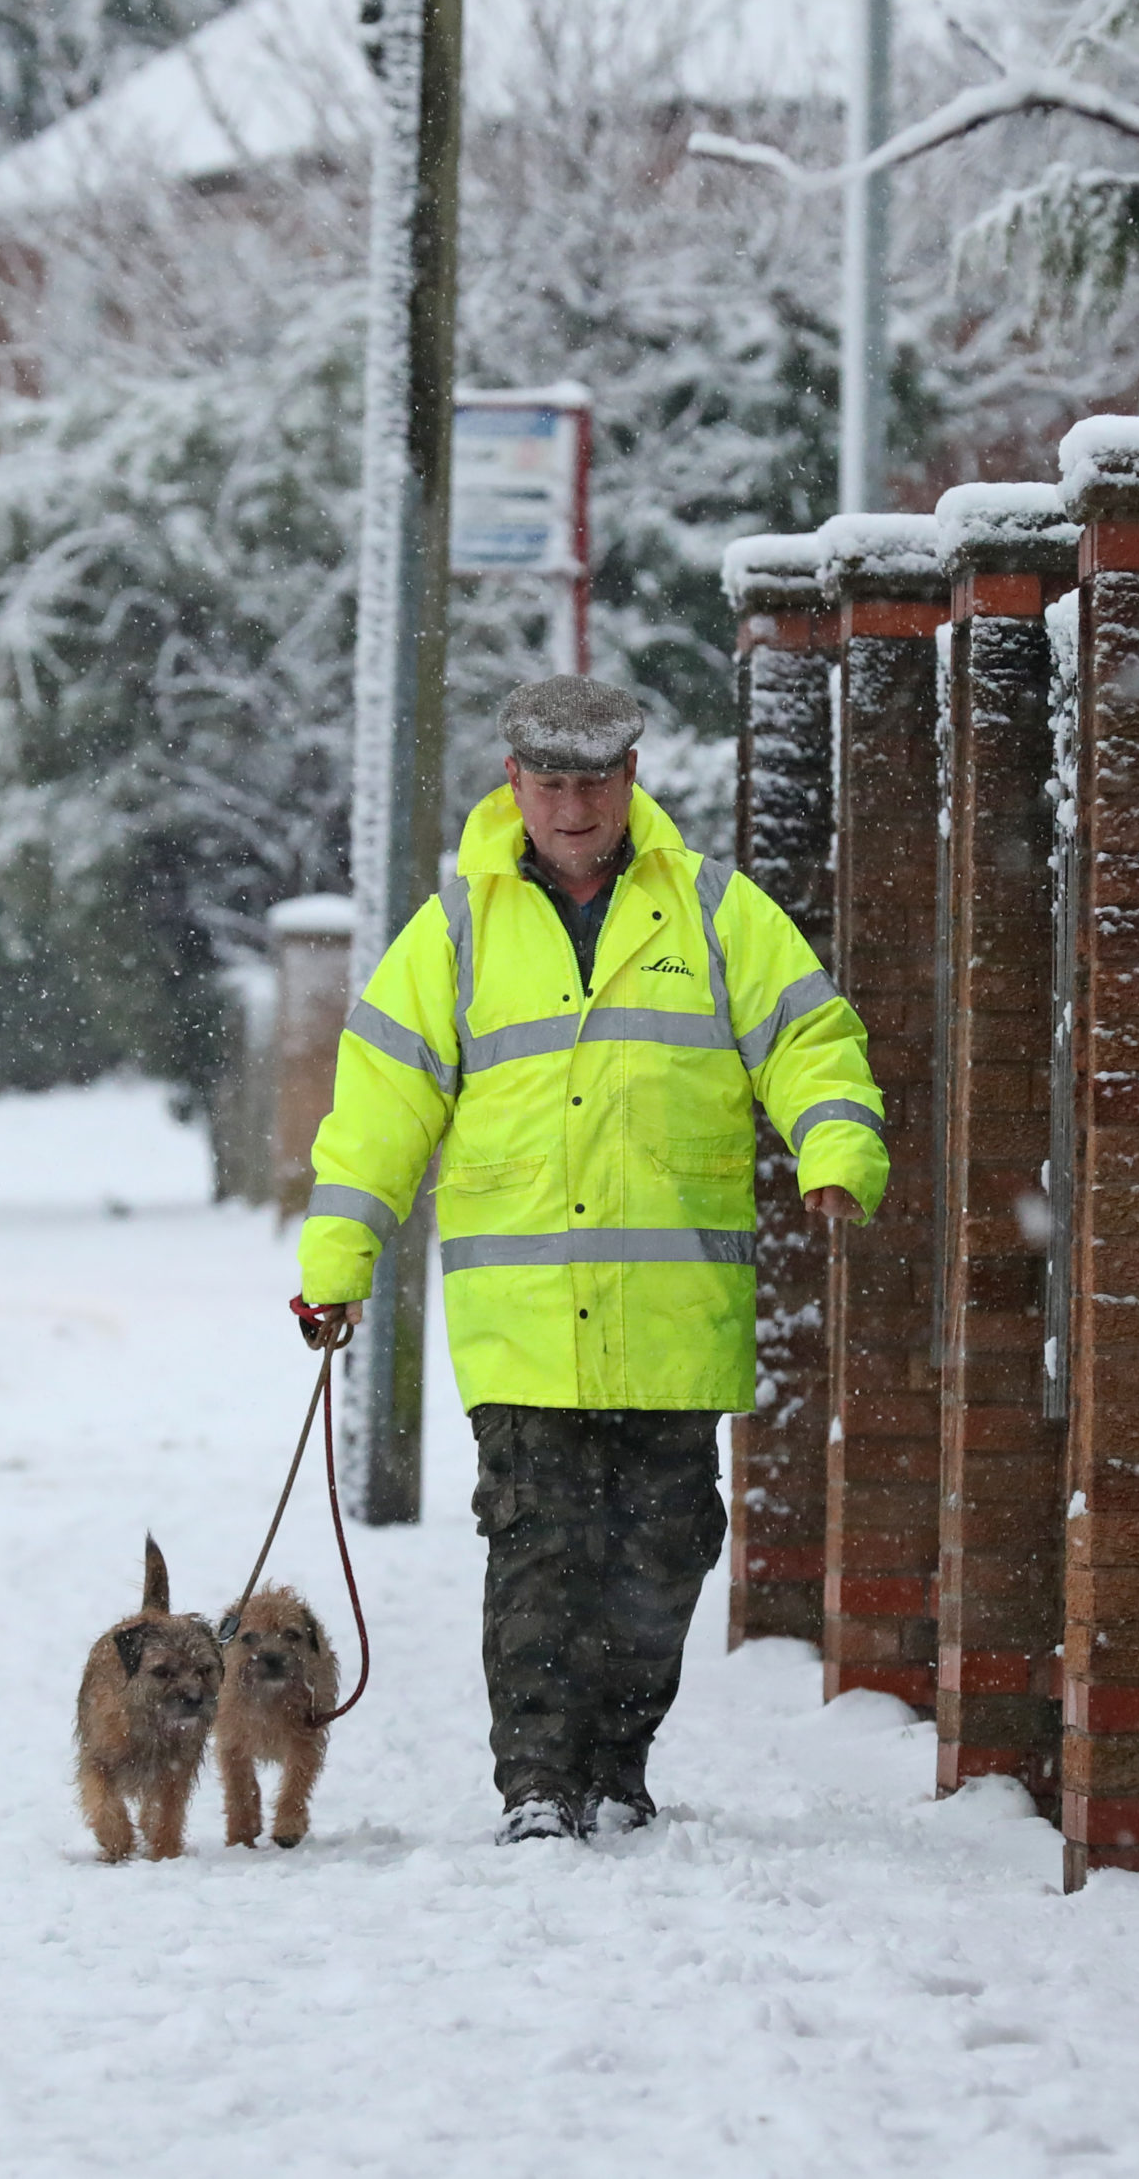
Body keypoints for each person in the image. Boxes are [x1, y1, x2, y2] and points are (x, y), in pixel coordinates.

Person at [295, 676, 887, 1844]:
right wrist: (338, 1257)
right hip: (521, 1318)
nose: (572, 807)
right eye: (551, 782)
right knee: (538, 1548)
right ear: (515, 782)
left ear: (630, 781)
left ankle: (619, 1761)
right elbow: (377, 1109)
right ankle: (535, 1782)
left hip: (673, 1315)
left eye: (594, 782)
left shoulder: (716, 912)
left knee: (662, 1549)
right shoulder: (456, 929)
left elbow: (811, 1039)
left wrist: (835, 1144)